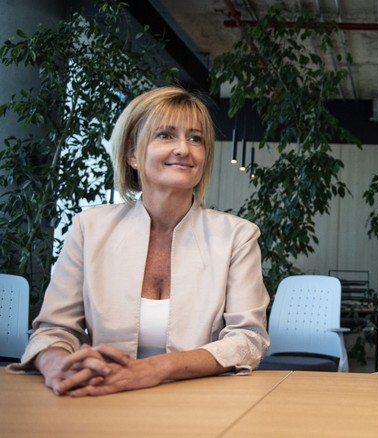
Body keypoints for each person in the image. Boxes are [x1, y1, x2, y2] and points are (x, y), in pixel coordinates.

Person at [11, 86, 270, 397]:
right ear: (132, 154)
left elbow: (247, 340)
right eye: (165, 135)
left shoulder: (237, 236)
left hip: (203, 401)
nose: (183, 149)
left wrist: (157, 369)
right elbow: (54, 331)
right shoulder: (89, 228)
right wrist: (57, 367)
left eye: (195, 138)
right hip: (104, 397)